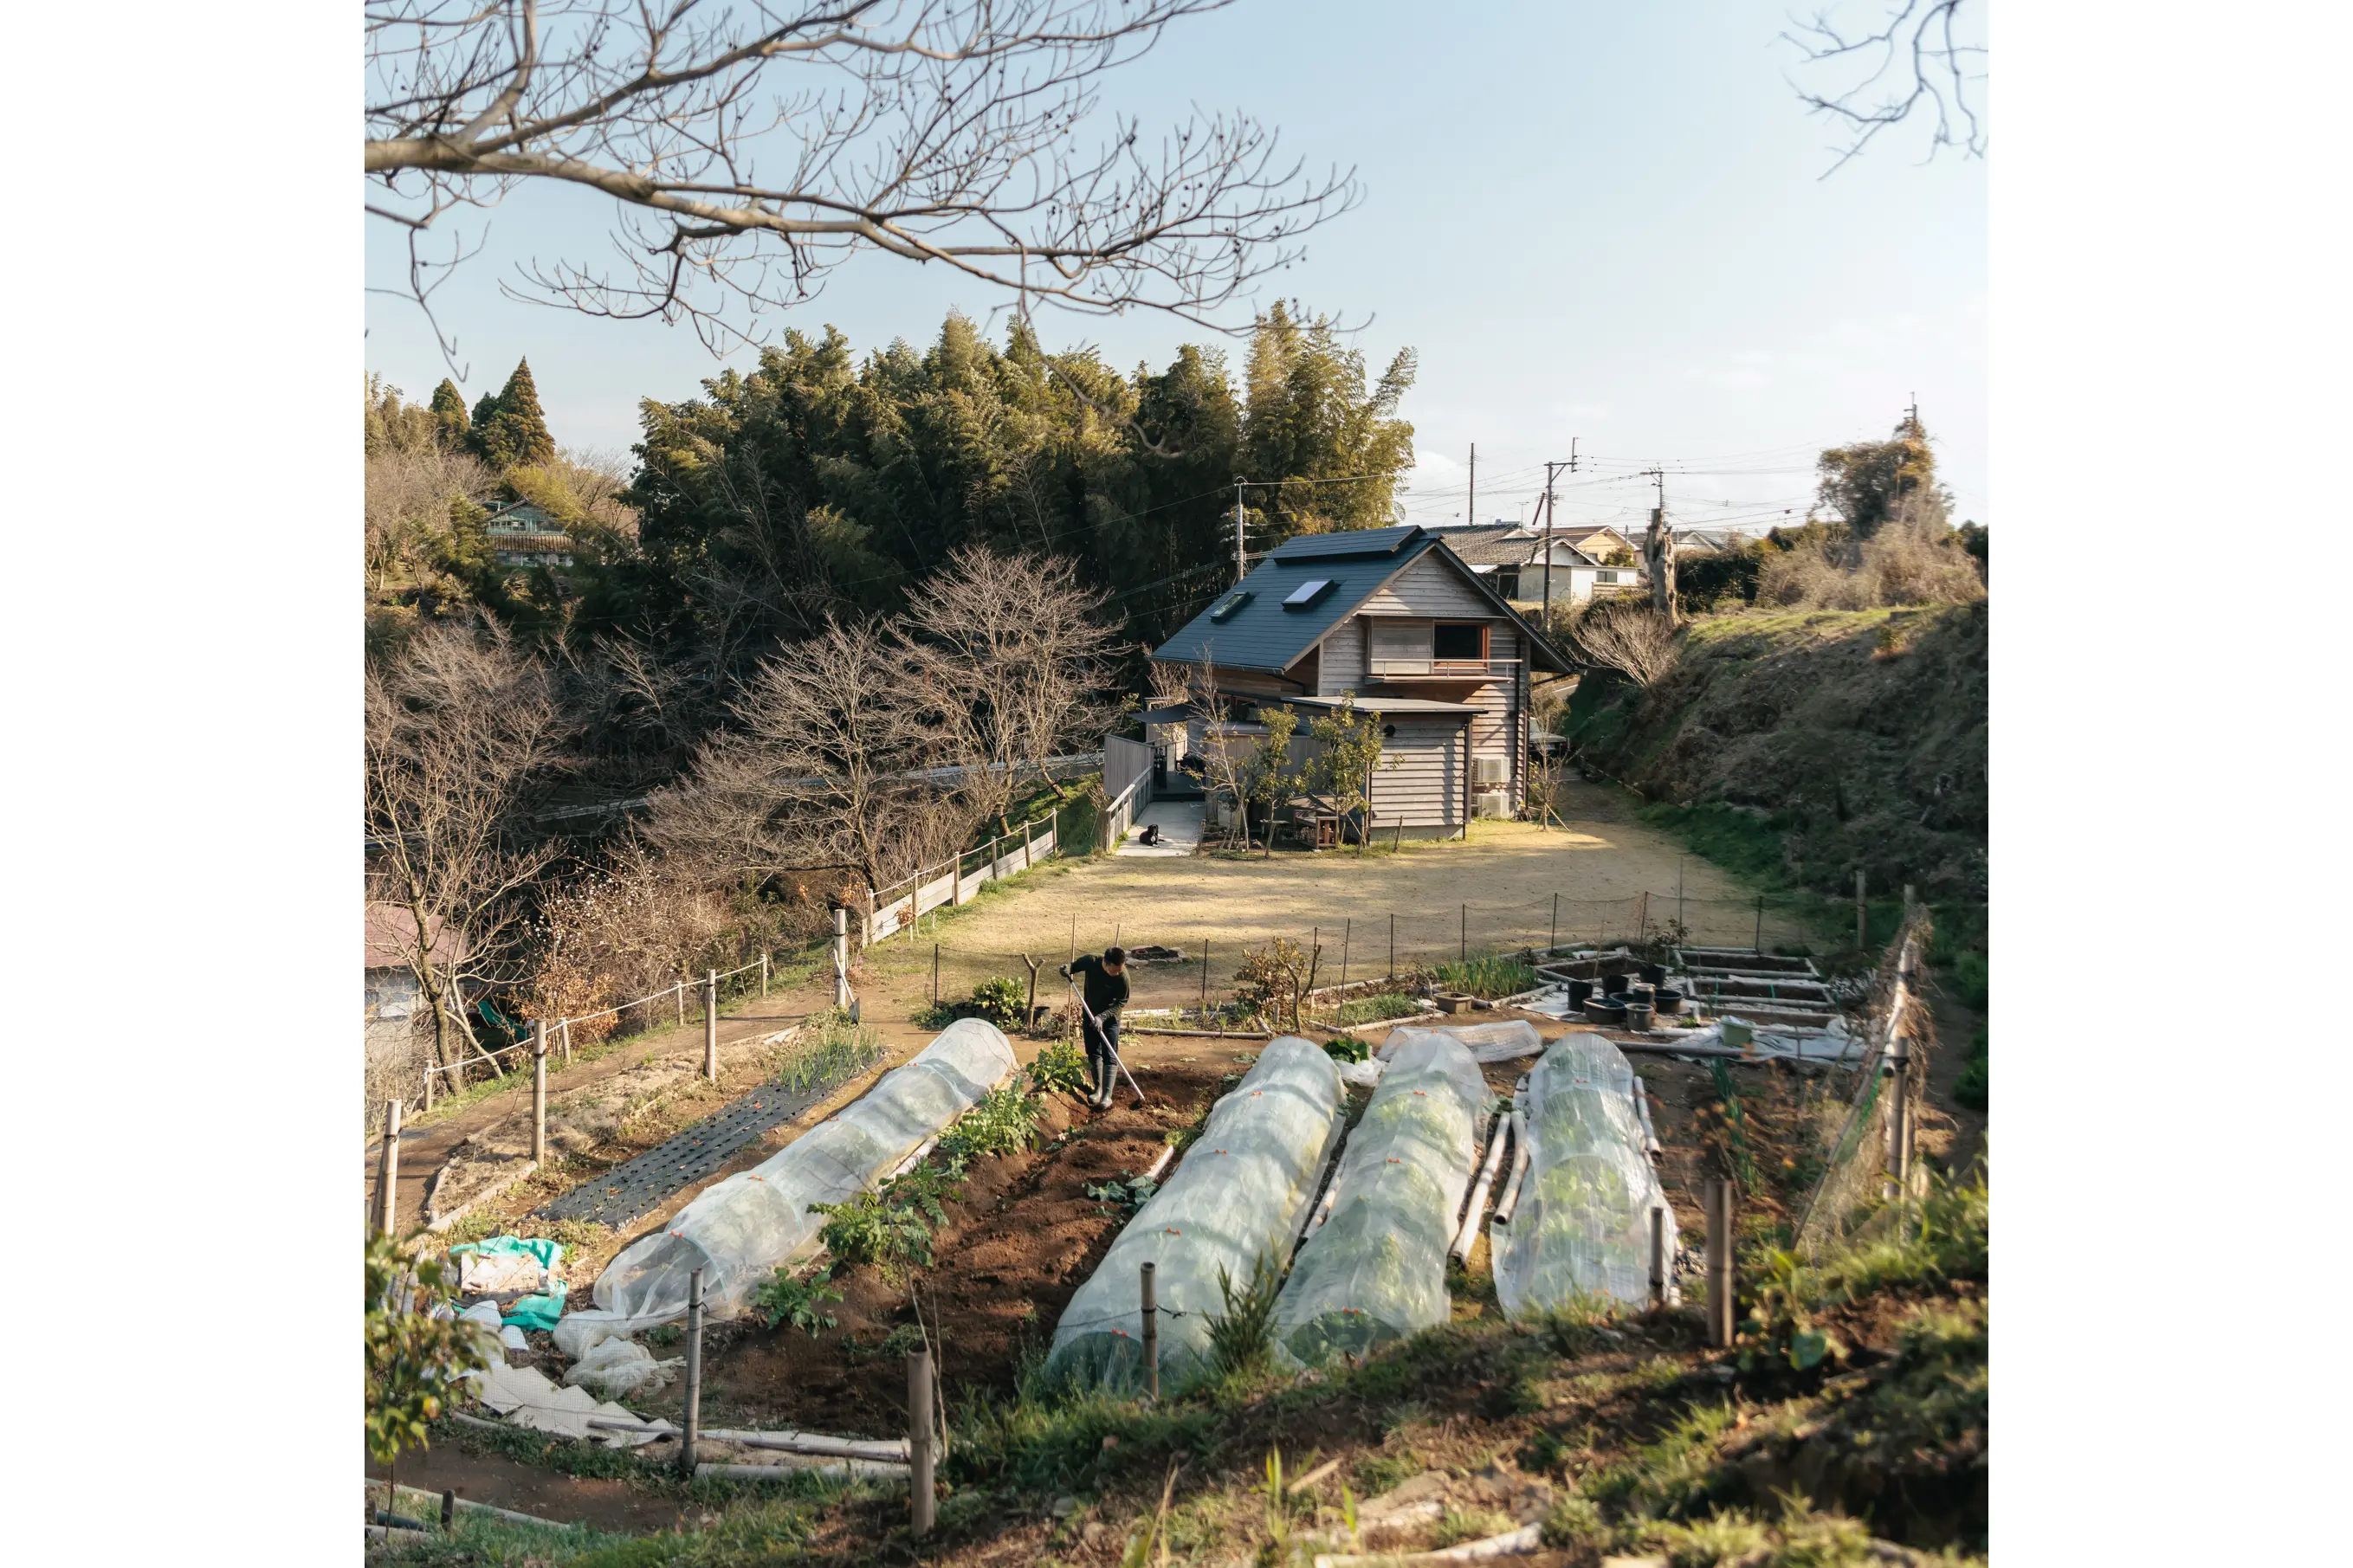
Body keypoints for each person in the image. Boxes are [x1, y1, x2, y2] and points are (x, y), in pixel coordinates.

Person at [1058, 945, 1130, 1109]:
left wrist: (1103, 1017)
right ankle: (1097, 1089)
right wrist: (1066, 969)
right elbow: (1073, 967)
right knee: (1093, 1051)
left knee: (1110, 1054)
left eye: (1120, 969)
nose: (1117, 973)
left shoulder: (1123, 977)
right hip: (1090, 1014)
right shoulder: (1091, 961)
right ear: (1105, 963)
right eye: (1114, 970)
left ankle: (1107, 1096)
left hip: (1110, 1018)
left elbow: (1121, 1002)